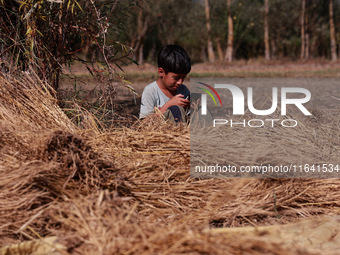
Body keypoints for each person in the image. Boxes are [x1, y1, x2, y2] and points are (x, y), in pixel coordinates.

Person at [139, 45, 191, 123]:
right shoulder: (151, 91)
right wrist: (169, 105)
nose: (180, 82)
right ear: (161, 72)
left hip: (185, 129)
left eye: (183, 77)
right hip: (166, 133)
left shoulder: (183, 89)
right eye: (176, 78)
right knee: (176, 109)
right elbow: (143, 124)